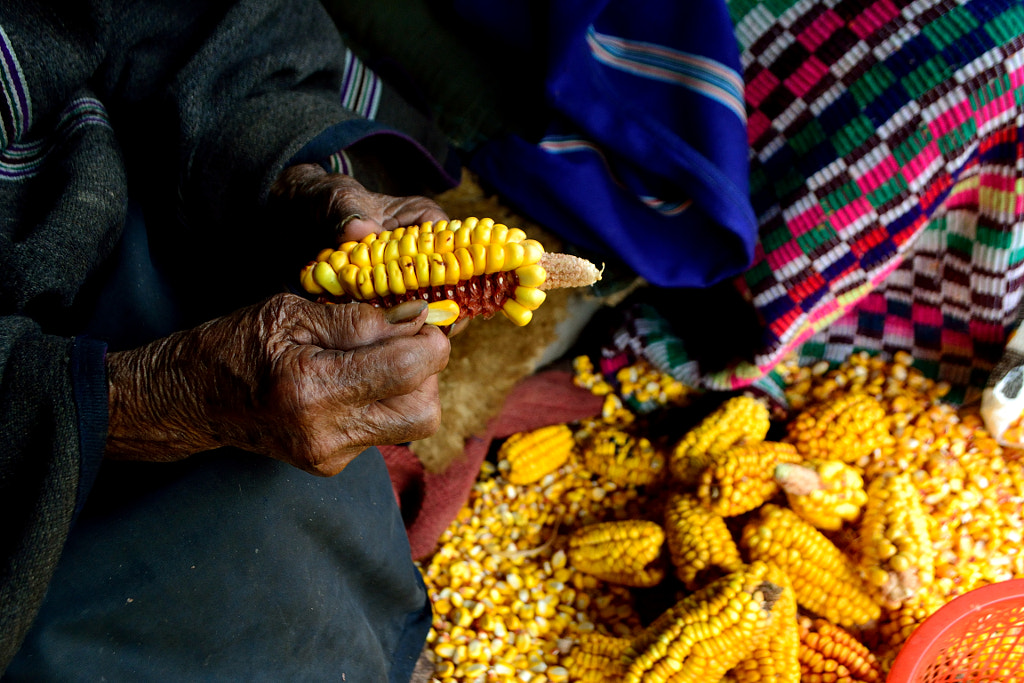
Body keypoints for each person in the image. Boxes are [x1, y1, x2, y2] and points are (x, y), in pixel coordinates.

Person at [0, 0, 463, 680]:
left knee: (304, 500)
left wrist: (295, 182)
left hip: (97, 192)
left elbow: (215, 23)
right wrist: (157, 398)